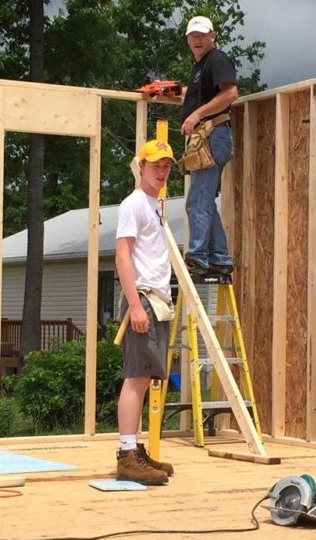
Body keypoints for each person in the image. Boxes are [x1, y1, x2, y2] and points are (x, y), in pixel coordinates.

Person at [113, 139, 180, 486]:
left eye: (166, 166)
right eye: (155, 165)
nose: (162, 171)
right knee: (136, 377)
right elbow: (122, 255)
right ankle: (127, 456)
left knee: (144, 378)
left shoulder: (155, 205)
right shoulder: (134, 204)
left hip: (156, 301)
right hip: (143, 300)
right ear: (140, 166)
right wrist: (135, 305)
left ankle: (134, 450)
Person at [179, 15, 238, 275]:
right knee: (203, 199)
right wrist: (177, 93)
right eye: (193, 36)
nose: (197, 40)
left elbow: (230, 93)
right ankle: (220, 257)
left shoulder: (217, 59)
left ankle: (198, 256)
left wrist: (197, 114)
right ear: (188, 40)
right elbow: (204, 95)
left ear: (213, 35)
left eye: (202, 35)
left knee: (198, 200)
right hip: (210, 136)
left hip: (213, 134)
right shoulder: (201, 66)